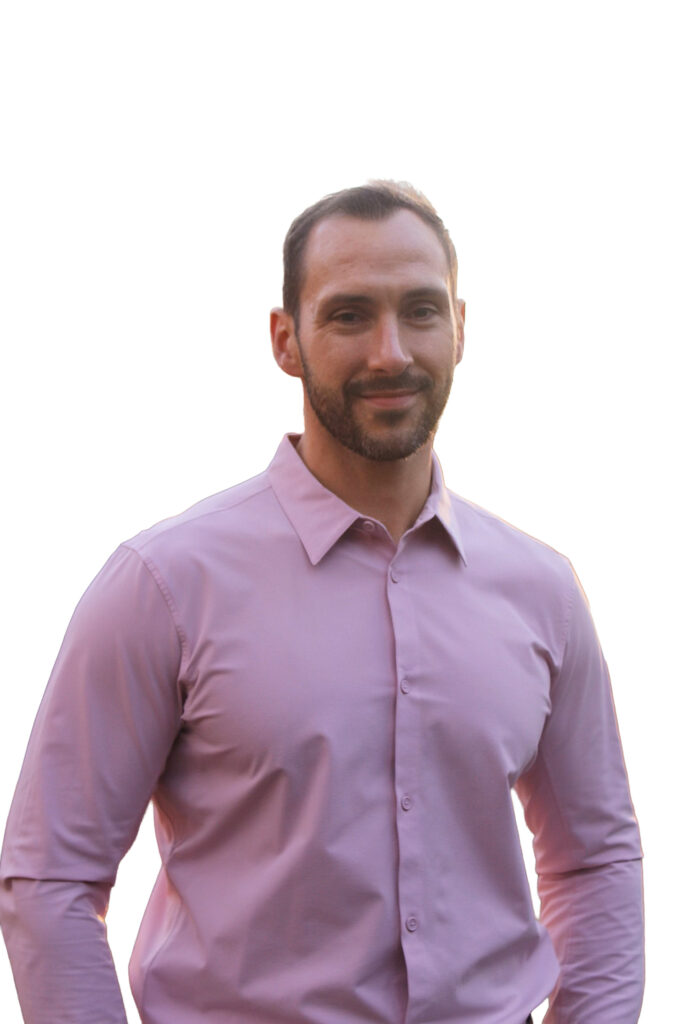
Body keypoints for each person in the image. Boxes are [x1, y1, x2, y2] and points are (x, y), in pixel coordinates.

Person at [0, 181, 644, 1024]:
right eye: (348, 316)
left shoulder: (541, 591)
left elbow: (594, 860)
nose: (390, 353)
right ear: (285, 340)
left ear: (459, 327)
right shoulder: (163, 584)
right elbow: (50, 874)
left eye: (419, 311)